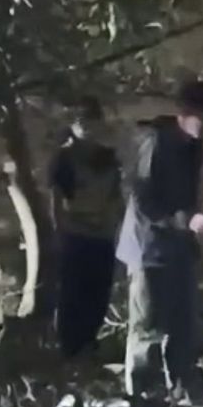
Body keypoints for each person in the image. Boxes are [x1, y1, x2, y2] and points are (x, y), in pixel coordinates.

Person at [116, 78, 203, 400]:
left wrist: (193, 225)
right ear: (186, 113)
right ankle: (143, 397)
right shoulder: (155, 142)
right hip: (149, 245)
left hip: (179, 246)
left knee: (183, 323)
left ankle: (182, 390)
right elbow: (142, 196)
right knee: (148, 324)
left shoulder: (194, 147)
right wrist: (182, 220)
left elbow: (187, 193)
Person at [49, 97, 124, 360]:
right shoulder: (65, 159)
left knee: (97, 297)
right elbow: (57, 201)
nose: (88, 126)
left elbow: (117, 198)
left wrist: (112, 225)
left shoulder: (108, 159)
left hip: (102, 237)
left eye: (92, 120)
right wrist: (62, 232)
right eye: (82, 120)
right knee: (72, 297)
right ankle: (69, 353)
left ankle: (88, 350)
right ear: (73, 125)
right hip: (76, 237)